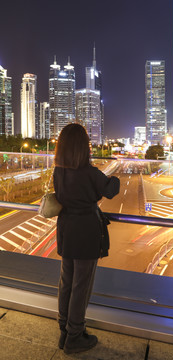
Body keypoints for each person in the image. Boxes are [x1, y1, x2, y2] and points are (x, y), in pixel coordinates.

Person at [53, 123, 120, 354]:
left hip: (66, 229)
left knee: (66, 283)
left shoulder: (58, 171)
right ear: (83, 147)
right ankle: (75, 336)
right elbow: (111, 189)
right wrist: (115, 176)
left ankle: (64, 332)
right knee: (81, 286)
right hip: (86, 232)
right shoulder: (90, 173)